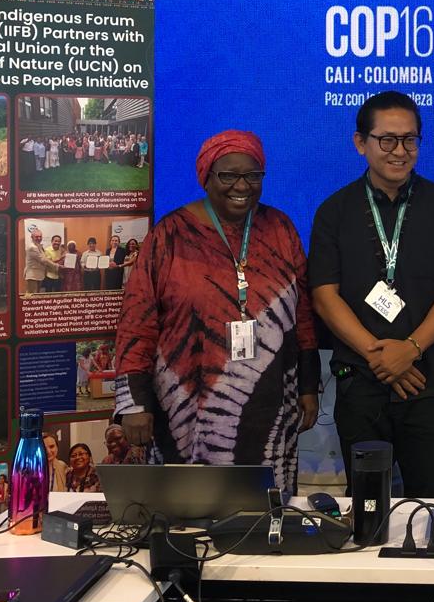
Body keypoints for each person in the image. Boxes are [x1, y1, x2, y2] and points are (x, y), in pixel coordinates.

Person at [116, 130, 320, 494]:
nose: (241, 186)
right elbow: (137, 321)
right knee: (188, 518)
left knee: (262, 517)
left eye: (252, 176)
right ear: (206, 176)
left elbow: (302, 315)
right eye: (228, 175)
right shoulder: (170, 235)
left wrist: (308, 386)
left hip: (270, 404)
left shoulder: (281, 230)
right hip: (185, 407)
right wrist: (133, 402)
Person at [310, 91, 434, 499]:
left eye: (410, 140)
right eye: (387, 140)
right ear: (360, 142)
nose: (399, 151)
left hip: (428, 383)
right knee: (365, 504)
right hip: (361, 385)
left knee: (429, 499)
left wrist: (412, 348)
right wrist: (378, 354)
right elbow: (324, 295)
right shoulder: (334, 211)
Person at [23, 227, 59, 295]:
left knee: (36, 296)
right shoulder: (32, 247)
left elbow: (44, 258)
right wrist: (57, 266)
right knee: (31, 296)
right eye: (36, 237)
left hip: (39, 275)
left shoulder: (38, 246)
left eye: (40, 236)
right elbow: (43, 260)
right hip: (33, 275)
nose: (39, 238)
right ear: (32, 237)